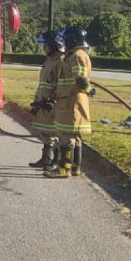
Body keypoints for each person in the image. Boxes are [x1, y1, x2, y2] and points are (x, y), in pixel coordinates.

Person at [46, 27, 94, 178]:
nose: (64, 42)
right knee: (75, 136)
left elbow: (81, 79)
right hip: (70, 100)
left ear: (72, 40)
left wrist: (86, 88)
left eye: (66, 39)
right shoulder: (75, 55)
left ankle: (63, 169)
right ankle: (75, 168)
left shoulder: (77, 56)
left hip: (71, 101)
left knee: (66, 136)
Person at [28, 30, 65, 170]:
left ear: (54, 45)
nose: (44, 48)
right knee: (45, 131)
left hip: (53, 103)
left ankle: (55, 161)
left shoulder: (60, 62)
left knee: (54, 132)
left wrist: (52, 99)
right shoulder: (49, 61)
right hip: (44, 102)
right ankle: (46, 159)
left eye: (46, 45)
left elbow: (61, 84)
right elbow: (43, 84)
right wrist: (37, 100)